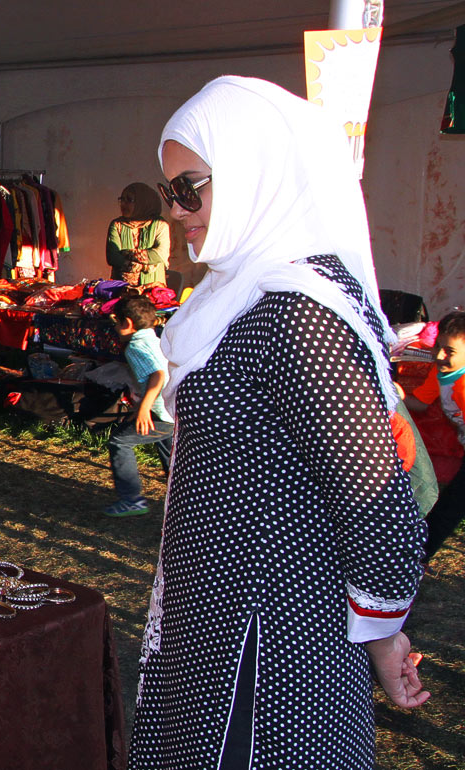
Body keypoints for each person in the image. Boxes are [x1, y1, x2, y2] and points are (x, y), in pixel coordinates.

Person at [131, 77, 427, 770]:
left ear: (256, 172)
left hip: (276, 637)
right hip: (219, 609)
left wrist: (383, 632)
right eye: (170, 192)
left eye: (189, 189)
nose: (177, 213)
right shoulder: (241, 293)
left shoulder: (302, 312)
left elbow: (373, 491)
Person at [103, 295, 172, 517]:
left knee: (119, 442)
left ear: (128, 323)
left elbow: (158, 375)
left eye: (117, 321)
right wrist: (141, 407)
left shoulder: (136, 346)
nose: (115, 327)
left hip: (160, 411)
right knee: (169, 449)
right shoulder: (154, 338)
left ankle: (132, 499)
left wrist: (144, 409)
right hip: (171, 409)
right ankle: (181, 496)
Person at [404, 310, 465, 559]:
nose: (439, 356)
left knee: (452, 505)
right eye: (438, 347)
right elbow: (420, 402)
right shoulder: (441, 372)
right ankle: (419, 554)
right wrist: (396, 395)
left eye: (449, 351)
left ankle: (419, 556)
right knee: (451, 504)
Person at [106, 182, 170, 286]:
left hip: (153, 288)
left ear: (143, 202)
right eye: (122, 199)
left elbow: (160, 254)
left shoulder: (160, 224)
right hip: (122, 289)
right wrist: (144, 265)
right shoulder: (117, 225)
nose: (123, 204)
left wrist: (128, 253)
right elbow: (112, 257)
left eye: (129, 200)